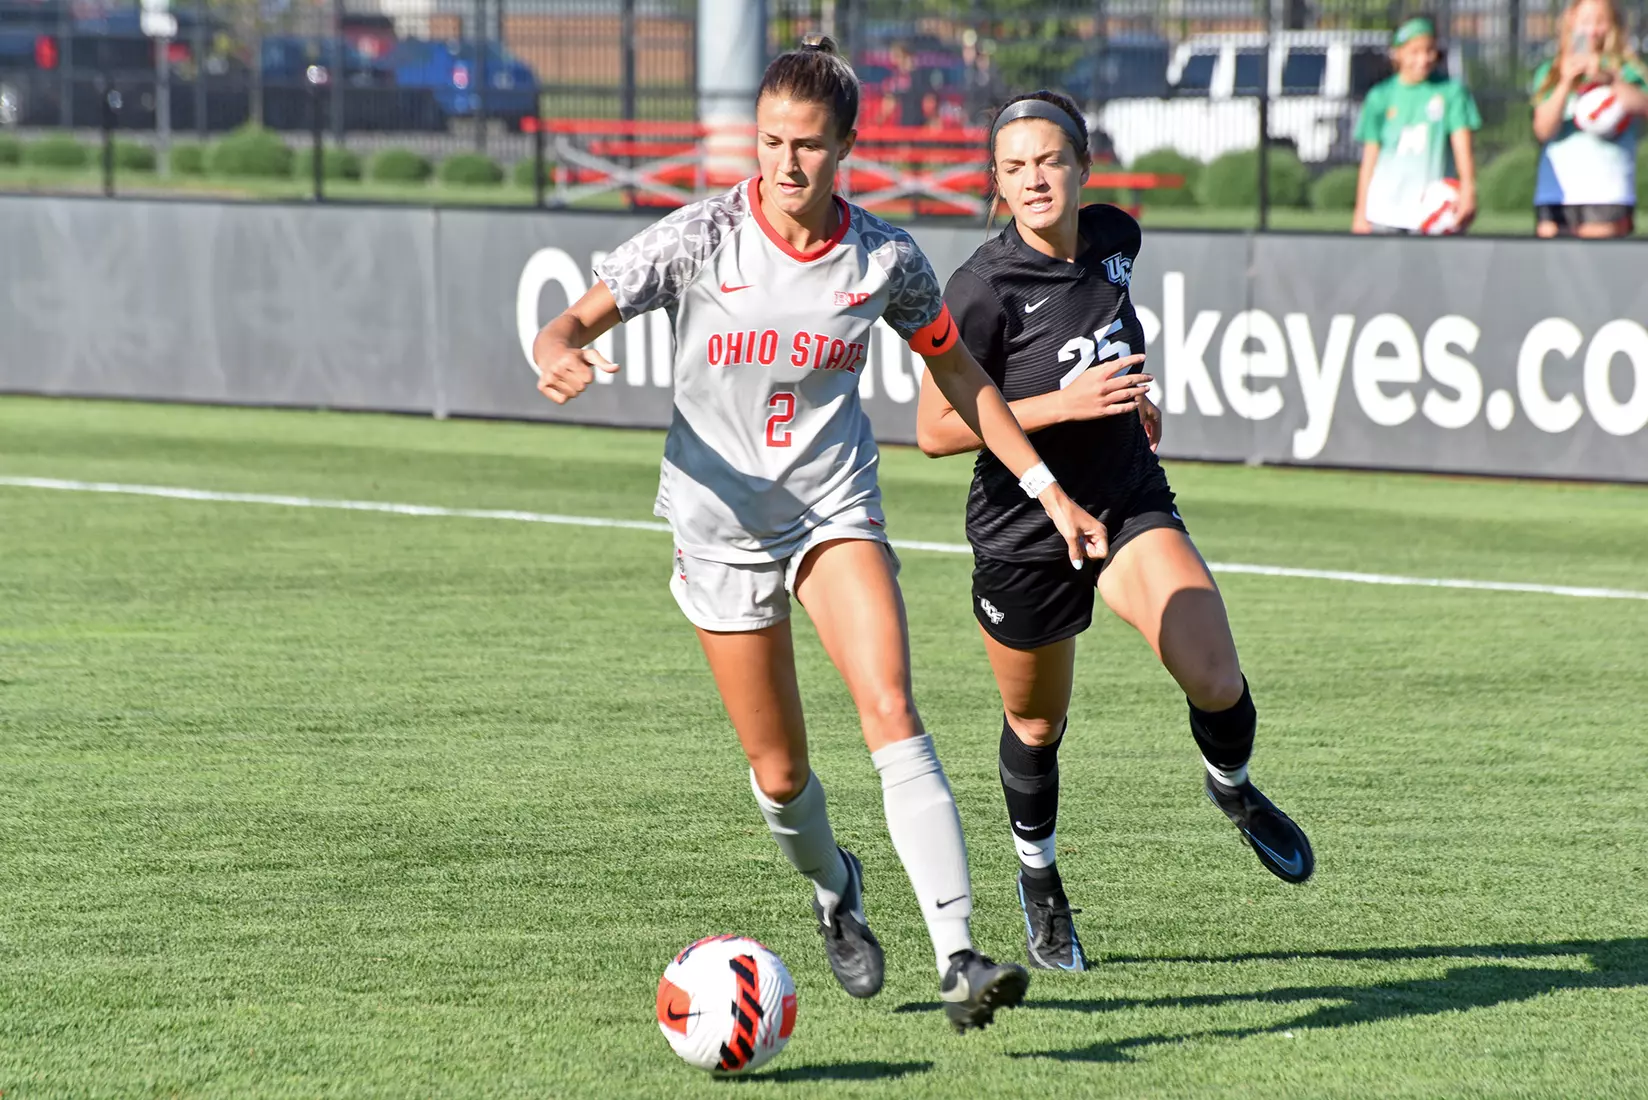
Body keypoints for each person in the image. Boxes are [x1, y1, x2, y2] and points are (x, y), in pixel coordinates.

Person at [533, 38, 1111, 1030]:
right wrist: (559, 354)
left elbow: (964, 378)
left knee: (890, 702)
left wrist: (1046, 487)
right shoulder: (700, 238)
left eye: (806, 145)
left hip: (832, 509)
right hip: (718, 530)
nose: (784, 163)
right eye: (768, 142)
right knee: (782, 773)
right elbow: (569, 323)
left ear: (845, 145)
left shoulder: (884, 256)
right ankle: (835, 885)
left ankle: (959, 954)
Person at [916, 90, 1315, 973]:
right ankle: (1041, 884)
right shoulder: (979, 289)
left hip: (1126, 498)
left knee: (1214, 673)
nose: (1033, 180)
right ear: (995, 181)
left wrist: (1136, 396)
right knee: (1035, 724)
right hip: (1025, 529)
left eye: (1049, 161)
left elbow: (1105, 341)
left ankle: (1234, 791)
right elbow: (935, 431)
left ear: (1082, 167)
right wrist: (1066, 404)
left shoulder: (1117, 239)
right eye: (1014, 167)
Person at [1352, 15, 1482, 235]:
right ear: (1398, 53)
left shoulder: (1451, 92)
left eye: (1429, 50)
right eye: (1414, 52)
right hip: (1385, 209)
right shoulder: (1380, 96)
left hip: (1431, 211)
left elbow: (1463, 146)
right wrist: (1360, 210)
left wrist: (1468, 190)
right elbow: (1370, 158)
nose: (1423, 59)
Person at [1530, 0, 1648, 238]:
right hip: (1556, 195)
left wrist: (1610, 80)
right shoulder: (1551, 72)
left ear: (1614, 26)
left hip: (1607, 193)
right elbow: (1542, 130)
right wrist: (1565, 82)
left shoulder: (1626, 70)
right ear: (1570, 23)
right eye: (1585, 22)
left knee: (1598, 270)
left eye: (1600, 22)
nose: (1593, 30)